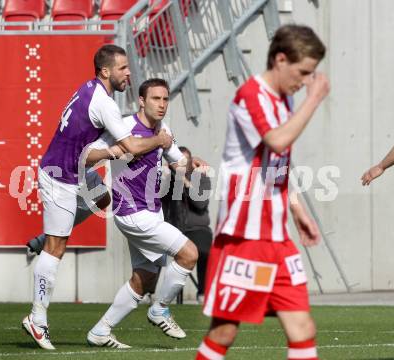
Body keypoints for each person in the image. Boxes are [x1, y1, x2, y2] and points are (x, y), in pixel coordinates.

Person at [22, 45, 172, 350]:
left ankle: (43, 239)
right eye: (123, 68)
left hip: (77, 170)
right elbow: (131, 145)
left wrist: (106, 152)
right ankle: (36, 319)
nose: (129, 73)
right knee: (56, 248)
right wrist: (160, 140)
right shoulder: (105, 104)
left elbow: (101, 144)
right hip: (60, 175)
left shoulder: (89, 89)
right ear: (106, 71)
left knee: (105, 200)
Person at [195, 24, 330, 360]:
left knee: (303, 329)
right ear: (280, 59)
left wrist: (297, 211)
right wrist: (313, 100)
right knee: (224, 332)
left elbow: (276, 163)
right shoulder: (250, 95)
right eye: (302, 72)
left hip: (277, 237)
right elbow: (277, 140)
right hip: (245, 237)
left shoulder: (284, 98)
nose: (304, 81)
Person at [85, 78, 206, 348]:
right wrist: (114, 152)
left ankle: (100, 331)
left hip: (152, 212)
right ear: (141, 100)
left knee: (145, 277)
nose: (162, 104)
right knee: (189, 254)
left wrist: (192, 163)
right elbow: (89, 155)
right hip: (131, 212)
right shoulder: (125, 126)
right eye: (155, 99)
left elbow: (178, 162)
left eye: (165, 99)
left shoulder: (163, 129)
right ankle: (160, 308)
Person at [162, 146, 213, 303]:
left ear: (191, 162)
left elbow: (200, 204)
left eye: (185, 161)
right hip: (173, 228)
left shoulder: (201, 178)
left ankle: (203, 293)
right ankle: (148, 292)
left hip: (197, 229)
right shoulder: (167, 179)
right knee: (152, 251)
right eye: (177, 162)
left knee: (205, 251)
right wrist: (167, 176)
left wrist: (184, 181)